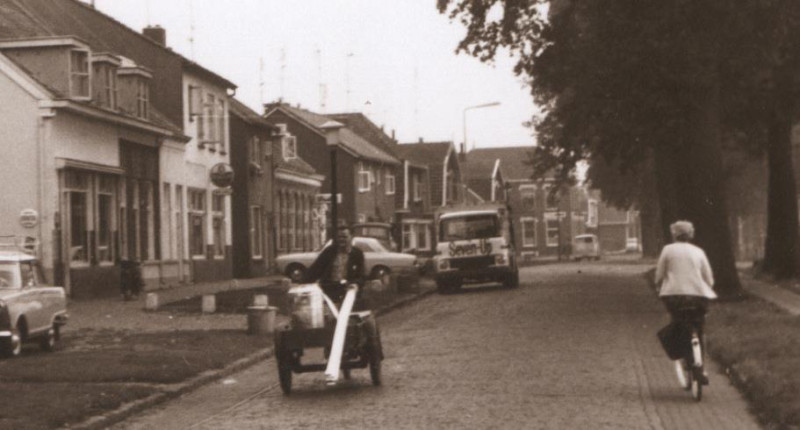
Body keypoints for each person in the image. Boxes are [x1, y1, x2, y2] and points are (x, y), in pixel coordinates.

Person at [655, 220, 716, 385]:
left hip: (674, 296)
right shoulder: (699, 251)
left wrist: (658, 285)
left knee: (678, 323)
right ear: (691, 234)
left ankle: (686, 358)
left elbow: (659, 274)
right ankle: (700, 366)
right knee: (699, 327)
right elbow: (709, 278)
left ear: (674, 234)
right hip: (698, 297)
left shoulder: (667, 250)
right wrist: (706, 287)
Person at [304, 223, 366, 304]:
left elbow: (361, 276)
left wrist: (356, 284)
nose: (341, 239)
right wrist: (302, 285)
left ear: (351, 237)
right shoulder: (329, 252)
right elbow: (315, 270)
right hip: (329, 290)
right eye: (339, 237)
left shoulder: (357, 254)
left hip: (347, 292)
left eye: (344, 237)